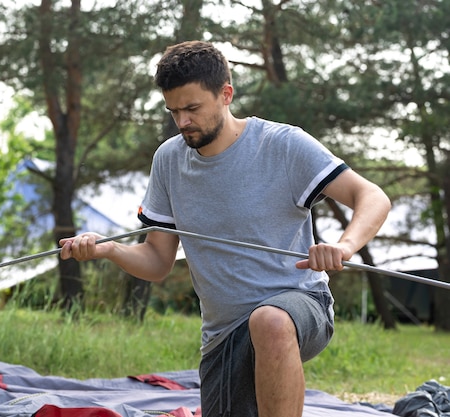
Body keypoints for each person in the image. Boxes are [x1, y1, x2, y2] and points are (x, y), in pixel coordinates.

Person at [59, 40, 391, 417]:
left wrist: (345, 246)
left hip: (300, 305)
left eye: (192, 108)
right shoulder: (168, 160)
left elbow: (373, 196)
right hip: (223, 335)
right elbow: (157, 260)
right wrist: (109, 250)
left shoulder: (282, 145)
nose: (182, 121)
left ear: (226, 94)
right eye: (174, 111)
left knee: (269, 319)